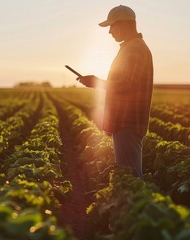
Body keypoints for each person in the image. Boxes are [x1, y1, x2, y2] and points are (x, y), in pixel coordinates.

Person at [77, 5, 153, 178]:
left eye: (111, 26)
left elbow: (127, 84)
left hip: (128, 121)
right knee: (128, 175)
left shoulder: (134, 49)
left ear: (123, 24)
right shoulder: (131, 47)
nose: (110, 31)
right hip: (126, 121)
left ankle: (136, 205)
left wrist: (96, 82)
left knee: (130, 178)